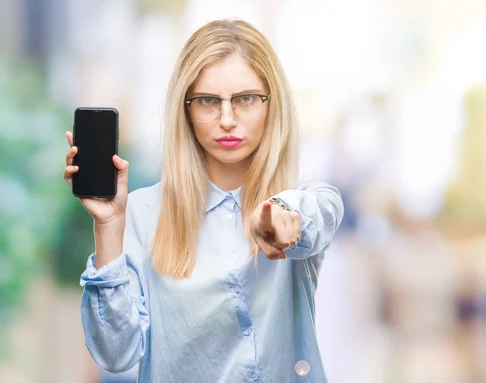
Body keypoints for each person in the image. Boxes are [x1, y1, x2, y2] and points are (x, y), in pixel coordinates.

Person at [62, 19, 344, 382]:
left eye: (245, 99)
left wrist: (280, 215)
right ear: (187, 110)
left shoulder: (305, 200)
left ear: (272, 106)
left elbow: (318, 215)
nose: (227, 120)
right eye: (209, 101)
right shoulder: (143, 212)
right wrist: (108, 225)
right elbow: (116, 355)